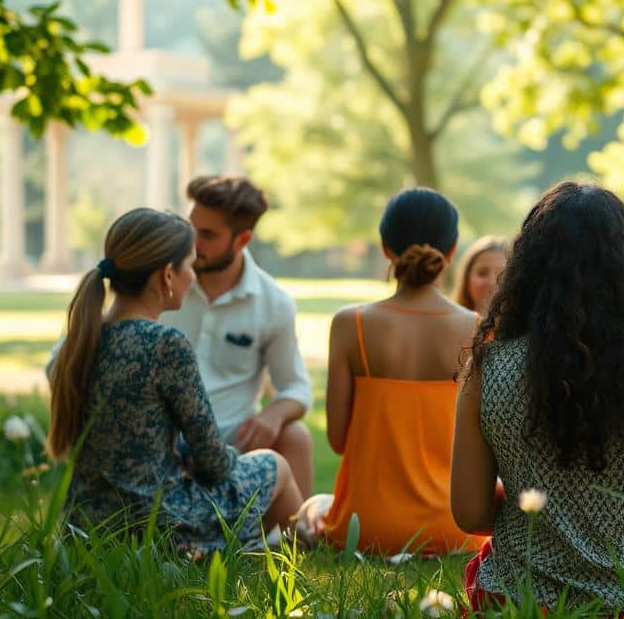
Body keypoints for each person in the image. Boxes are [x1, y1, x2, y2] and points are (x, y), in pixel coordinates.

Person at [451, 182, 624, 616]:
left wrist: (544, 507)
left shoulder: (487, 371)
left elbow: (469, 513)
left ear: (526, 270)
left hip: (520, 602)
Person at [47, 208, 301, 552]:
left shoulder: (81, 340)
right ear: (167, 275)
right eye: (190, 266)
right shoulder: (165, 344)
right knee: (275, 465)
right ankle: (300, 553)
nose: (194, 277)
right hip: (155, 525)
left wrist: (180, 454)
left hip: (84, 525)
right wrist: (212, 458)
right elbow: (214, 462)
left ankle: (262, 546)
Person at [293, 189, 485, 555]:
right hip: (456, 529)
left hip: (363, 529)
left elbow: (338, 440)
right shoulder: (475, 328)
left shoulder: (351, 325)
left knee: (313, 505)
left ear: (384, 247)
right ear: (452, 250)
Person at [160, 175, 314, 497]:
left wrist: (273, 414)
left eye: (207, 235)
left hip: (232, 444)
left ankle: (298, 528)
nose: (192, 243)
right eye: (190, 228)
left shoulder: (273, 302)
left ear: (242, 239)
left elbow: (297, 388)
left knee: (296, 435)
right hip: (159, 440)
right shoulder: (161, 283)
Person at [452, 235, 509, 316]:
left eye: (501, 275)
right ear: (466, 278)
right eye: (482, 273)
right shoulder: (447, 321)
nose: (491, 282)